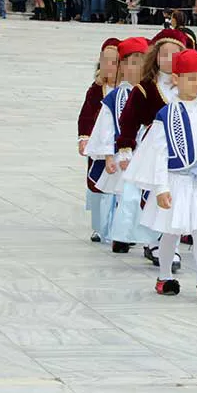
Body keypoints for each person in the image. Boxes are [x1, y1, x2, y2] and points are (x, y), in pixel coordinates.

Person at [125, 50, 197, 298]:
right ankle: (165, 275)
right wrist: (161, 187)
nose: (196, 84)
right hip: (176, 180)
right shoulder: (166, 115)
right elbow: (158, 153)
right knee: (172, 231)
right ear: (176, 78)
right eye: (189, 78)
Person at [113, 30, 187, 261]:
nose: (169, 59)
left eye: (175, 55)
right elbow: (129, 120)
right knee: (152, 192)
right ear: (154, 56)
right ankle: (153, 240)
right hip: (152, 148)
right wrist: (125, 148)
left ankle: (169, 242)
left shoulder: (187, 87)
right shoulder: (144, 88)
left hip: (181, 150)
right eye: (164, 54)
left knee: (175, 195)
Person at [85, 37, 147, 245]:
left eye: (139, 62)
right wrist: (108, 155)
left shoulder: (151, 94)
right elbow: (106, 128)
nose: (134, 68)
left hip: (146, 155)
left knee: (142, 198)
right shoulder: (116, 96)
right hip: (123, 155)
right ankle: (120, 236)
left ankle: (142, 237)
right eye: (129, 62)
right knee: (124, 196)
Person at [78, 38, 120, 242]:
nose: (108, 66)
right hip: (98, 147)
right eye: (105, 61)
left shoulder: (127, 90)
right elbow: (86, 114)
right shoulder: (96, 89)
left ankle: (119, 227)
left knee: (118, 187)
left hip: (118, 146)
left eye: (114, 62)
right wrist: (83, 137)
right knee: (97, 186)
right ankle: (99, 226)